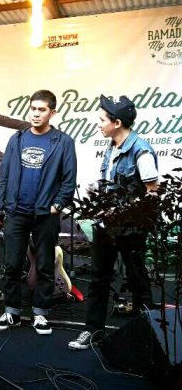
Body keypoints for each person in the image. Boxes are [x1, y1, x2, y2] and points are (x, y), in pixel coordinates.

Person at [68, 94, 158, 350]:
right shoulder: (112, 146)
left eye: (102, 120)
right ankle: (92, 331)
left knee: (138, 282)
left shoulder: (141, 151)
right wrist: (97, 191)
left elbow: (153, 194)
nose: (98, 124)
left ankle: (151, 339)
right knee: (98, 280)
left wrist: (122, 212)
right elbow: (114, 186)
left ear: (117, 123)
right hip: (105, 227)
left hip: (131, 230)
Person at [0, 90, 77, 335]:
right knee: (12, 265)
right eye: (33, 109)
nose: (36, 114)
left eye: (42, 109)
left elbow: (69, 179)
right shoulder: (16, 139)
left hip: (46, 214)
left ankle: (40, 313)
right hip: (16, 211)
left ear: (52, 112)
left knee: (45, 266)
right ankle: (12, 312)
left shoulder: (63, 142)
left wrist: (57, 205)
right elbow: (4, 176)